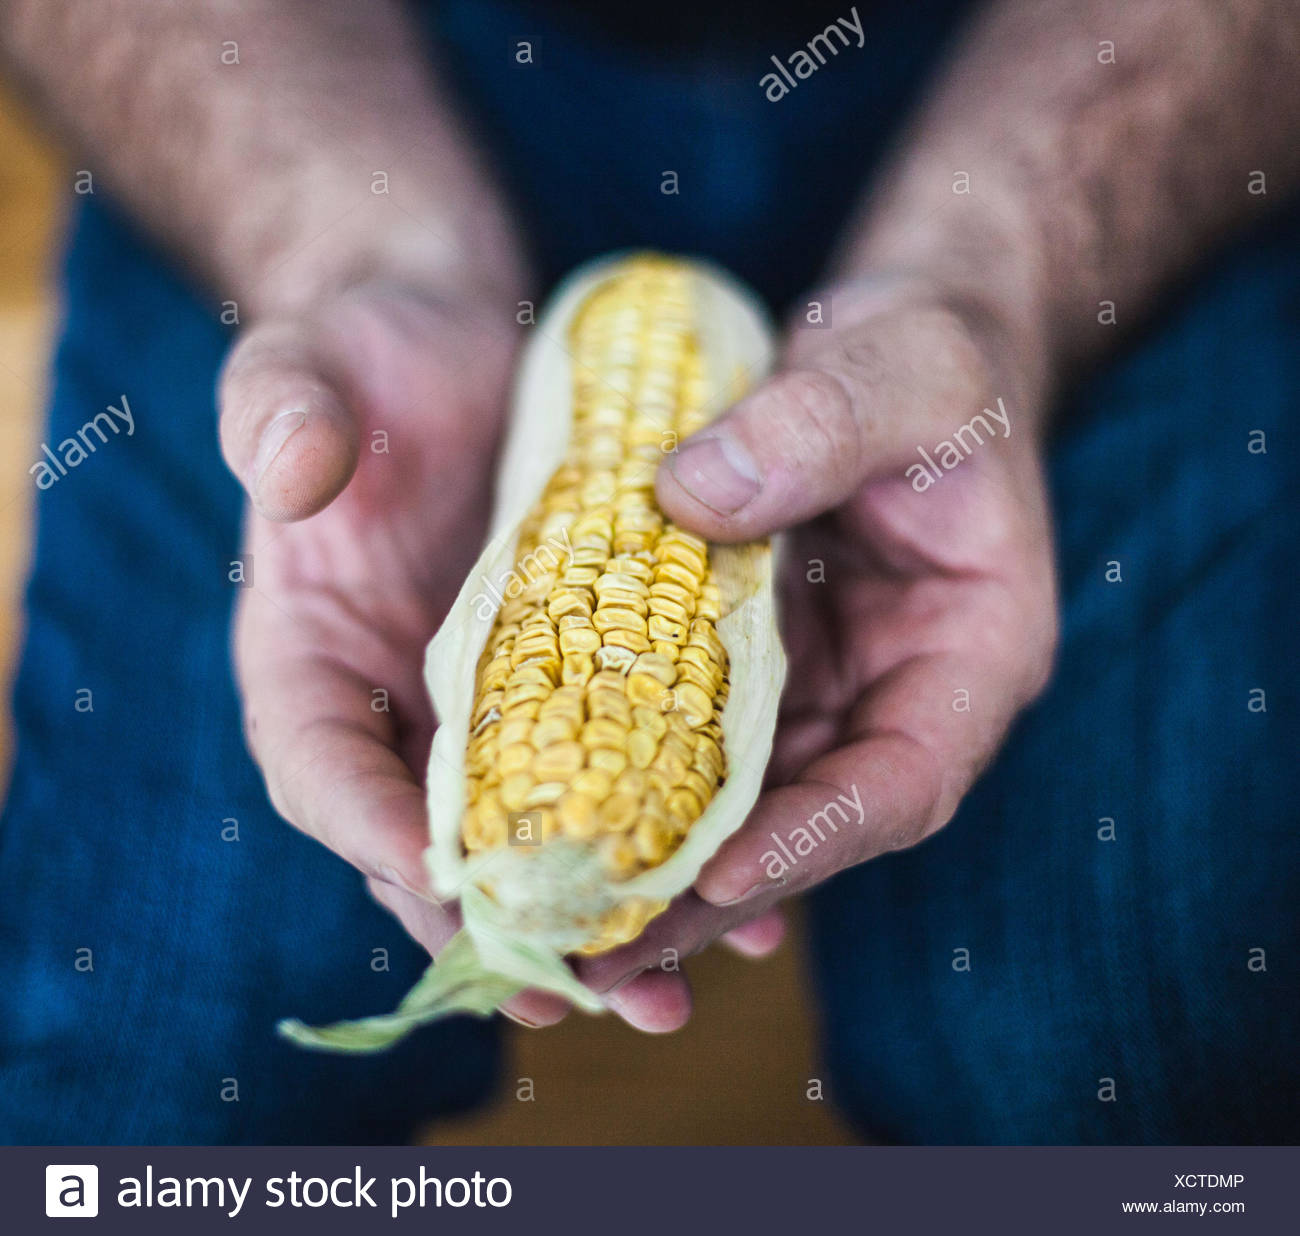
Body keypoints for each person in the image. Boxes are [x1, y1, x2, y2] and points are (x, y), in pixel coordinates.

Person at [0, 0, 1295, 1145]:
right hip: (348, 89)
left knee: (1109, 1066)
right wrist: (357, 255)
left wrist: (996, 287)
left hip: (1068, 93)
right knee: (157, 1065)